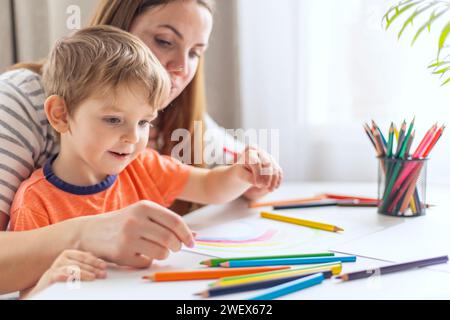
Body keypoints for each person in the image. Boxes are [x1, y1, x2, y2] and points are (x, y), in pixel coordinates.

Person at [0, 0, 282, 294]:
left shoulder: (144, 155)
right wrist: (84, 235)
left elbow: (224, 174)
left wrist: (251, 173)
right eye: (164, 41)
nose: (182, 68)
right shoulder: (21, 105)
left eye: (196, 52)